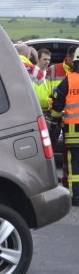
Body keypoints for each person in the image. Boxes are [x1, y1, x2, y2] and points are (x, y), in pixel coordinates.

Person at [49, 47, 79, 205]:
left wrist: (54, 120)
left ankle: (75, 197)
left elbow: (57, 101)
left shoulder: (70, 79)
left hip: (74, 130)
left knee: (74, 165)